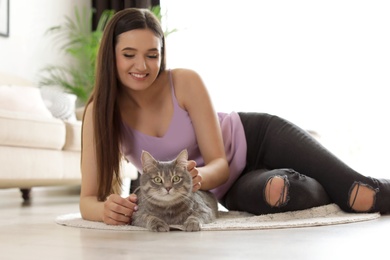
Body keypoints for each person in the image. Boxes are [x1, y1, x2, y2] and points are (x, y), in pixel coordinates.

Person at [80, 8, 390, 225]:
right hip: (230, 187)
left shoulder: (184, 81)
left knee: (360, 195)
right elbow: (88, 200)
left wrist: (196, 177)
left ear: (162, 54)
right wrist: (107, 210)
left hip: (258, 138)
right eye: (129, 54)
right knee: (286, 192)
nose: (142, 66)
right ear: (112, 54)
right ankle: (313, 177)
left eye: (152, 55)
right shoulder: (99, 113)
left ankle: (332, 178)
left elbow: (219, 163)